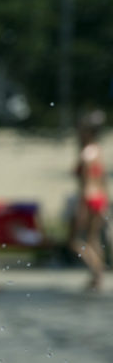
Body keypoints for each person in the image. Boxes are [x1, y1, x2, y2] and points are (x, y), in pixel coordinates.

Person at [70, 110, 108, 290]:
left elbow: (85, 183)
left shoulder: (85, 154)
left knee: (75, 241)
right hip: (101, 197)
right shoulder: (98, 150)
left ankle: (97, 271)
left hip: (87, 197)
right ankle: (97, 278)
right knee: (93, 239)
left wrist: (81, 206)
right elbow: (103, 179)